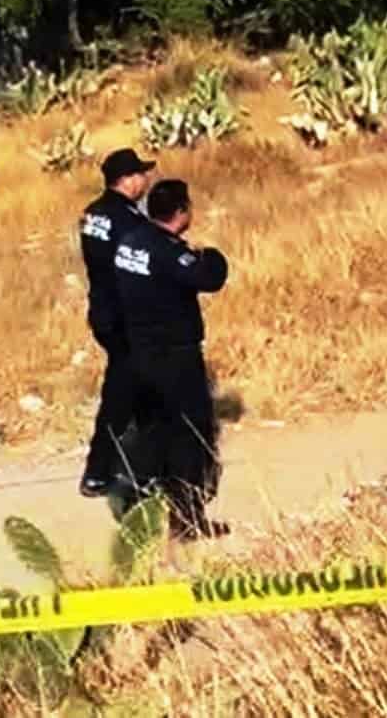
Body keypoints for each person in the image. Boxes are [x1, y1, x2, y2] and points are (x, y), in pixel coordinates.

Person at [112, 178, 232, 540]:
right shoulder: (170, 252)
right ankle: (186, 519)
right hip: (174, 358)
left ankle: (139, 516)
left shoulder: (130, 242)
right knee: (189, 437)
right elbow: (210, 277)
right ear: (182, 212)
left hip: (136, 354)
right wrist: (208, 253)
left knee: (151, 435)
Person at [76, 148, 155, 498]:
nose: (146, 180)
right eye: (141, 174)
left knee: (139, 391)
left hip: (103, 313)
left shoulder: (93, 214)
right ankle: (99, 472)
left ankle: (145, 465)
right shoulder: (129, 221)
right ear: (128, 179)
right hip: (127, 318)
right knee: (122, 395)